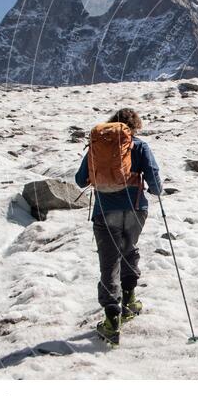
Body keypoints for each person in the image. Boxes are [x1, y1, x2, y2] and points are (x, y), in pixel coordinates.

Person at [75, 108, 162, 346]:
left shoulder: (98, 146)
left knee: (108, 261)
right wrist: (154, 190)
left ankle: (112, 318)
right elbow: (154, 180)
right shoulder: (140, 147)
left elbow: (80, 179)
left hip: (105, 211)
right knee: (129, 249)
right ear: (135, 127)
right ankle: (130, 299)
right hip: (135, 209)